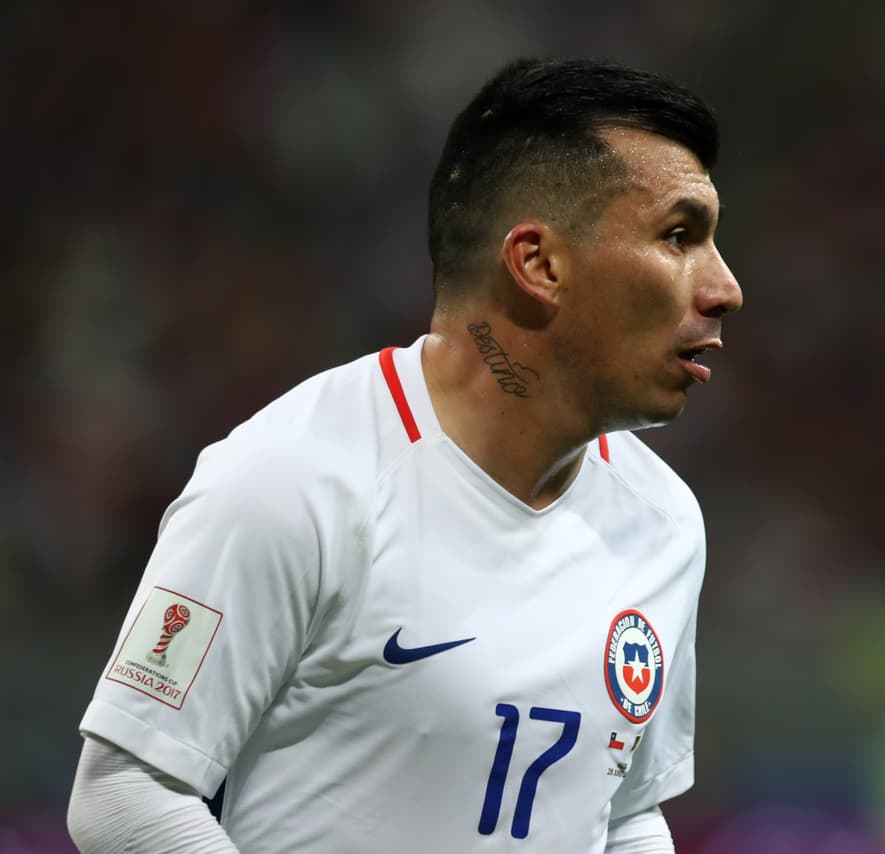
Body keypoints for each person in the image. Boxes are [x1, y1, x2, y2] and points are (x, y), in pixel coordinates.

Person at [66, 57, 743, 852]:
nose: (724, 288)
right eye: (678, 236)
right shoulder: (288, 482)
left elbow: (625, 814)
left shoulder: (663, 521)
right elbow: (125, 793)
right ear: (538, 264)